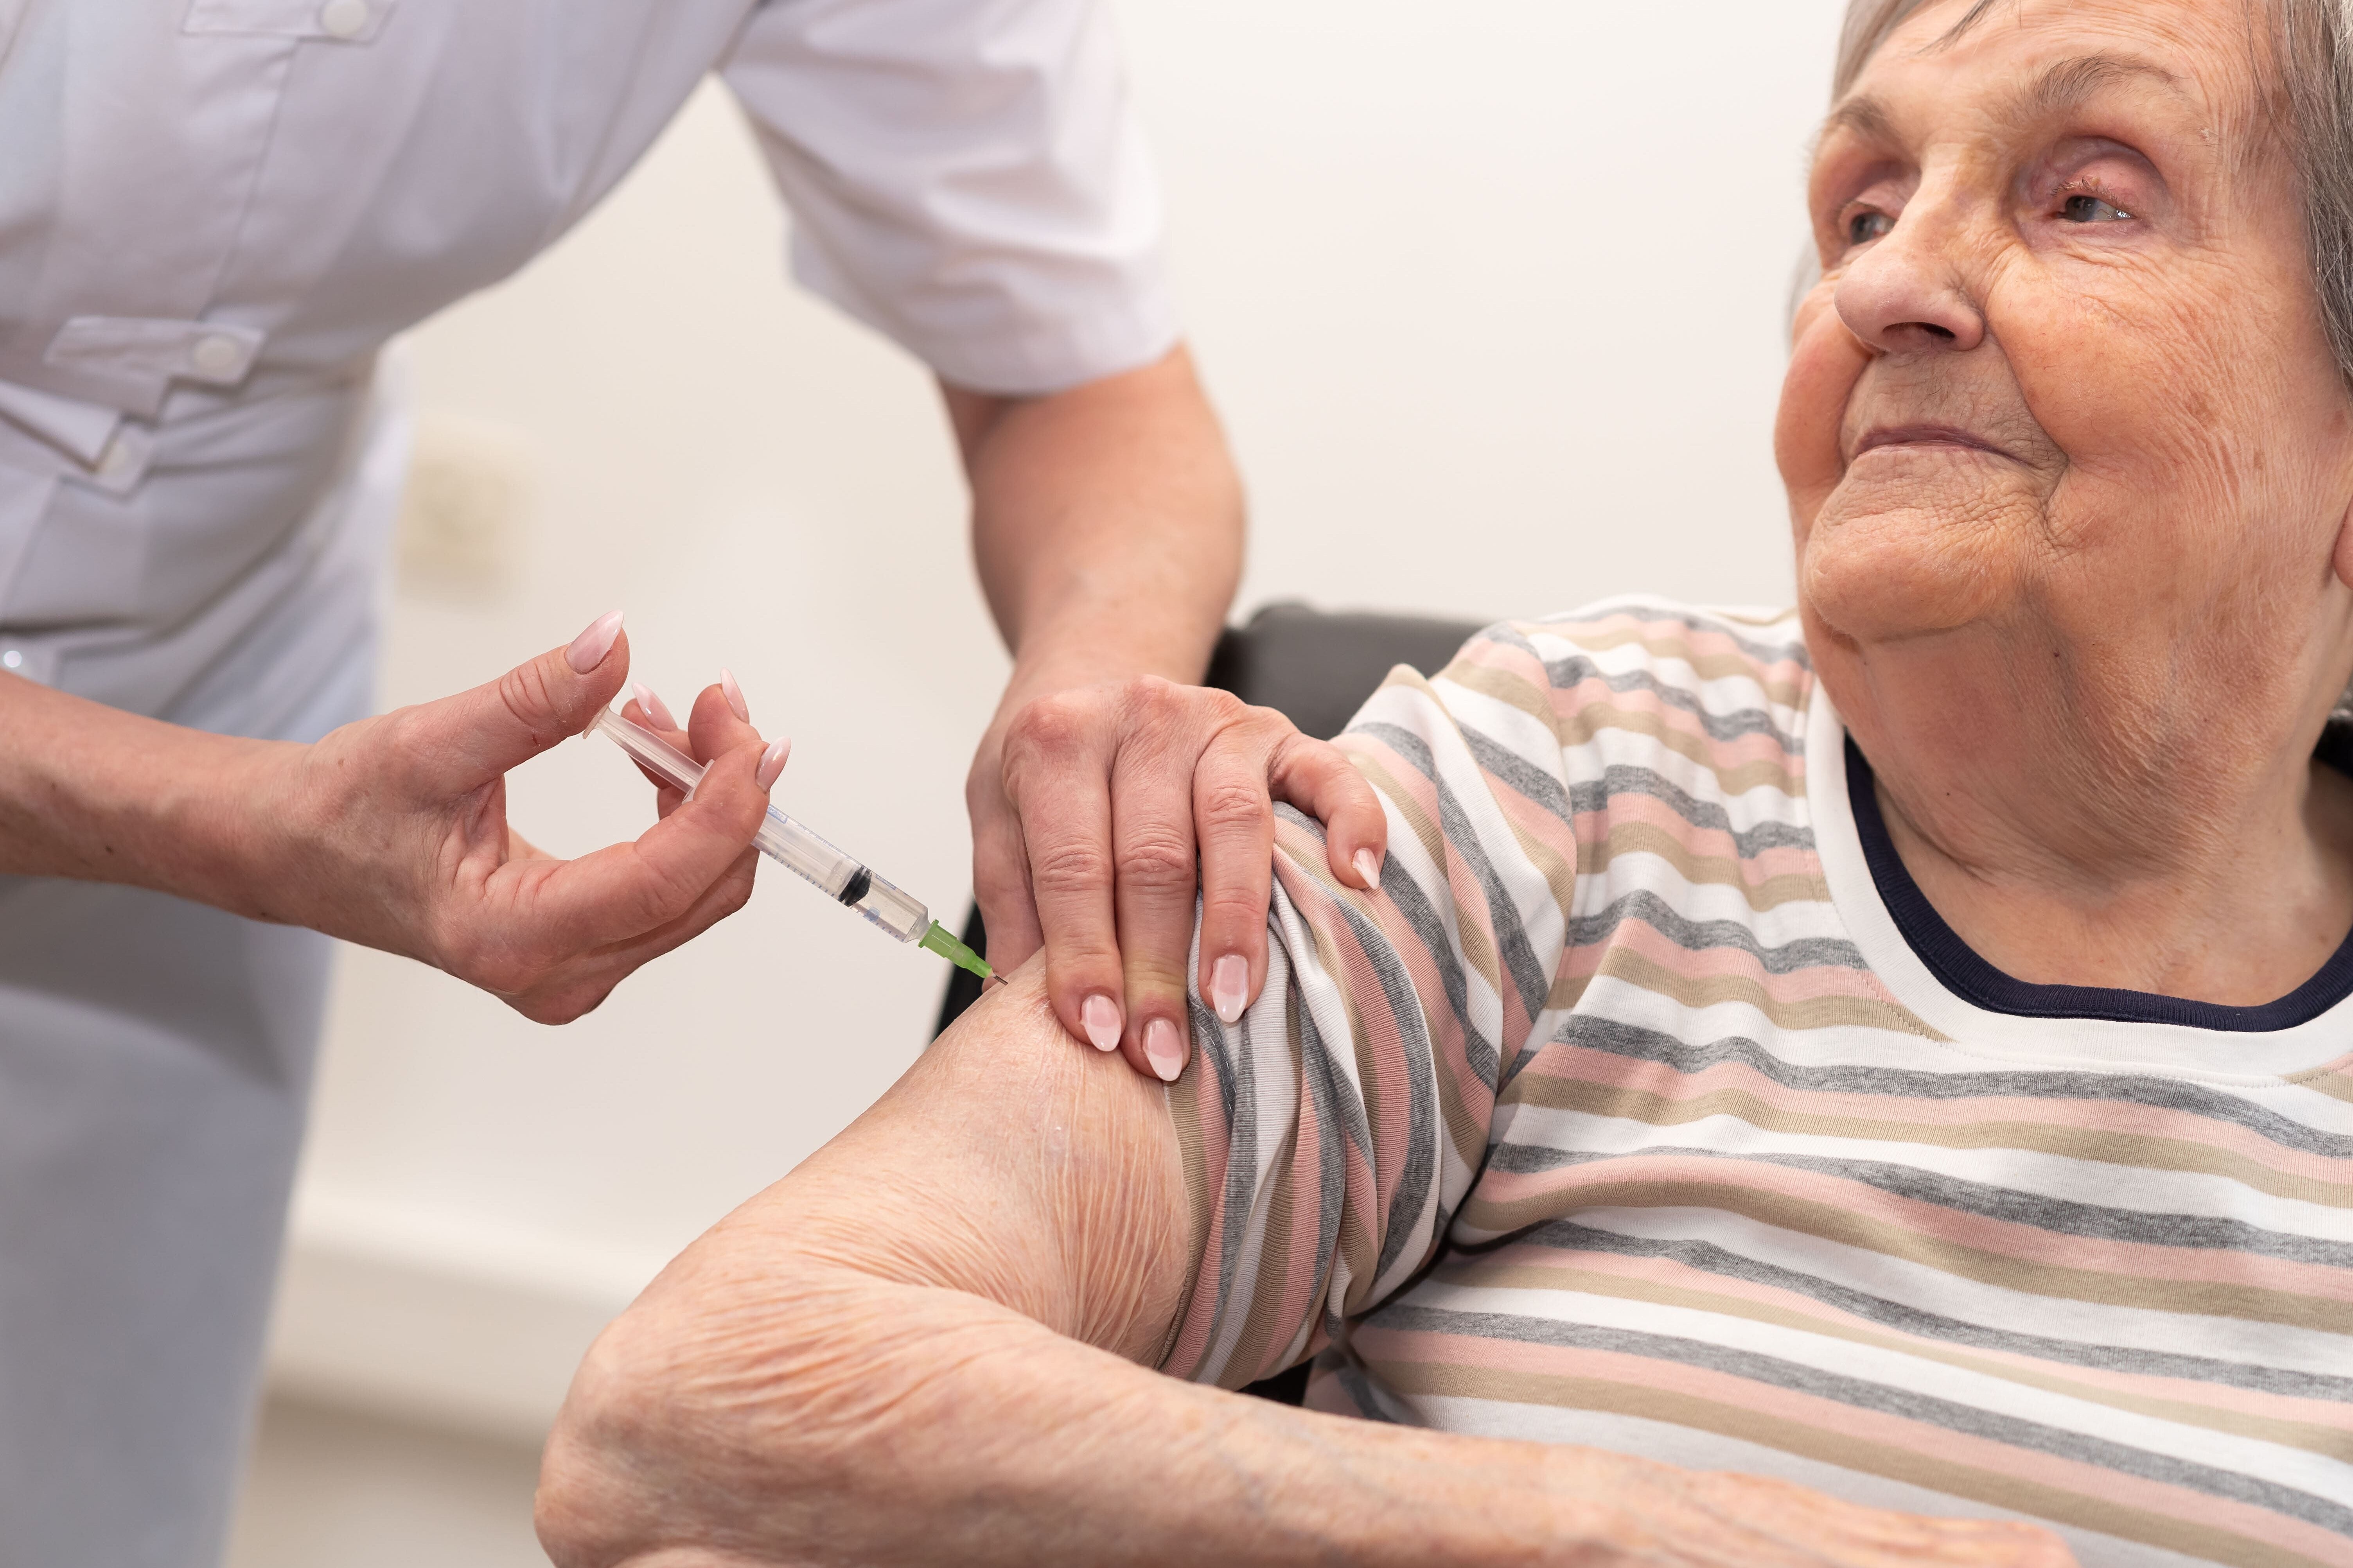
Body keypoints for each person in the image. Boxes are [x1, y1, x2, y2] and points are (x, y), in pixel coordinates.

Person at [531, 0, 2353, 1562]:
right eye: (1861, 204)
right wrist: (1623, 1525)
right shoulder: (1564, 790)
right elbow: (705, 1399)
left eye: (2087, 196)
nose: (1876, 280)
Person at [0, 2, 1389, 1563]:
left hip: (219, 615)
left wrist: (1089, 685)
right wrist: (233, 821)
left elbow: (1087, 386)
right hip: (222, 759)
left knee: (74, 1479)